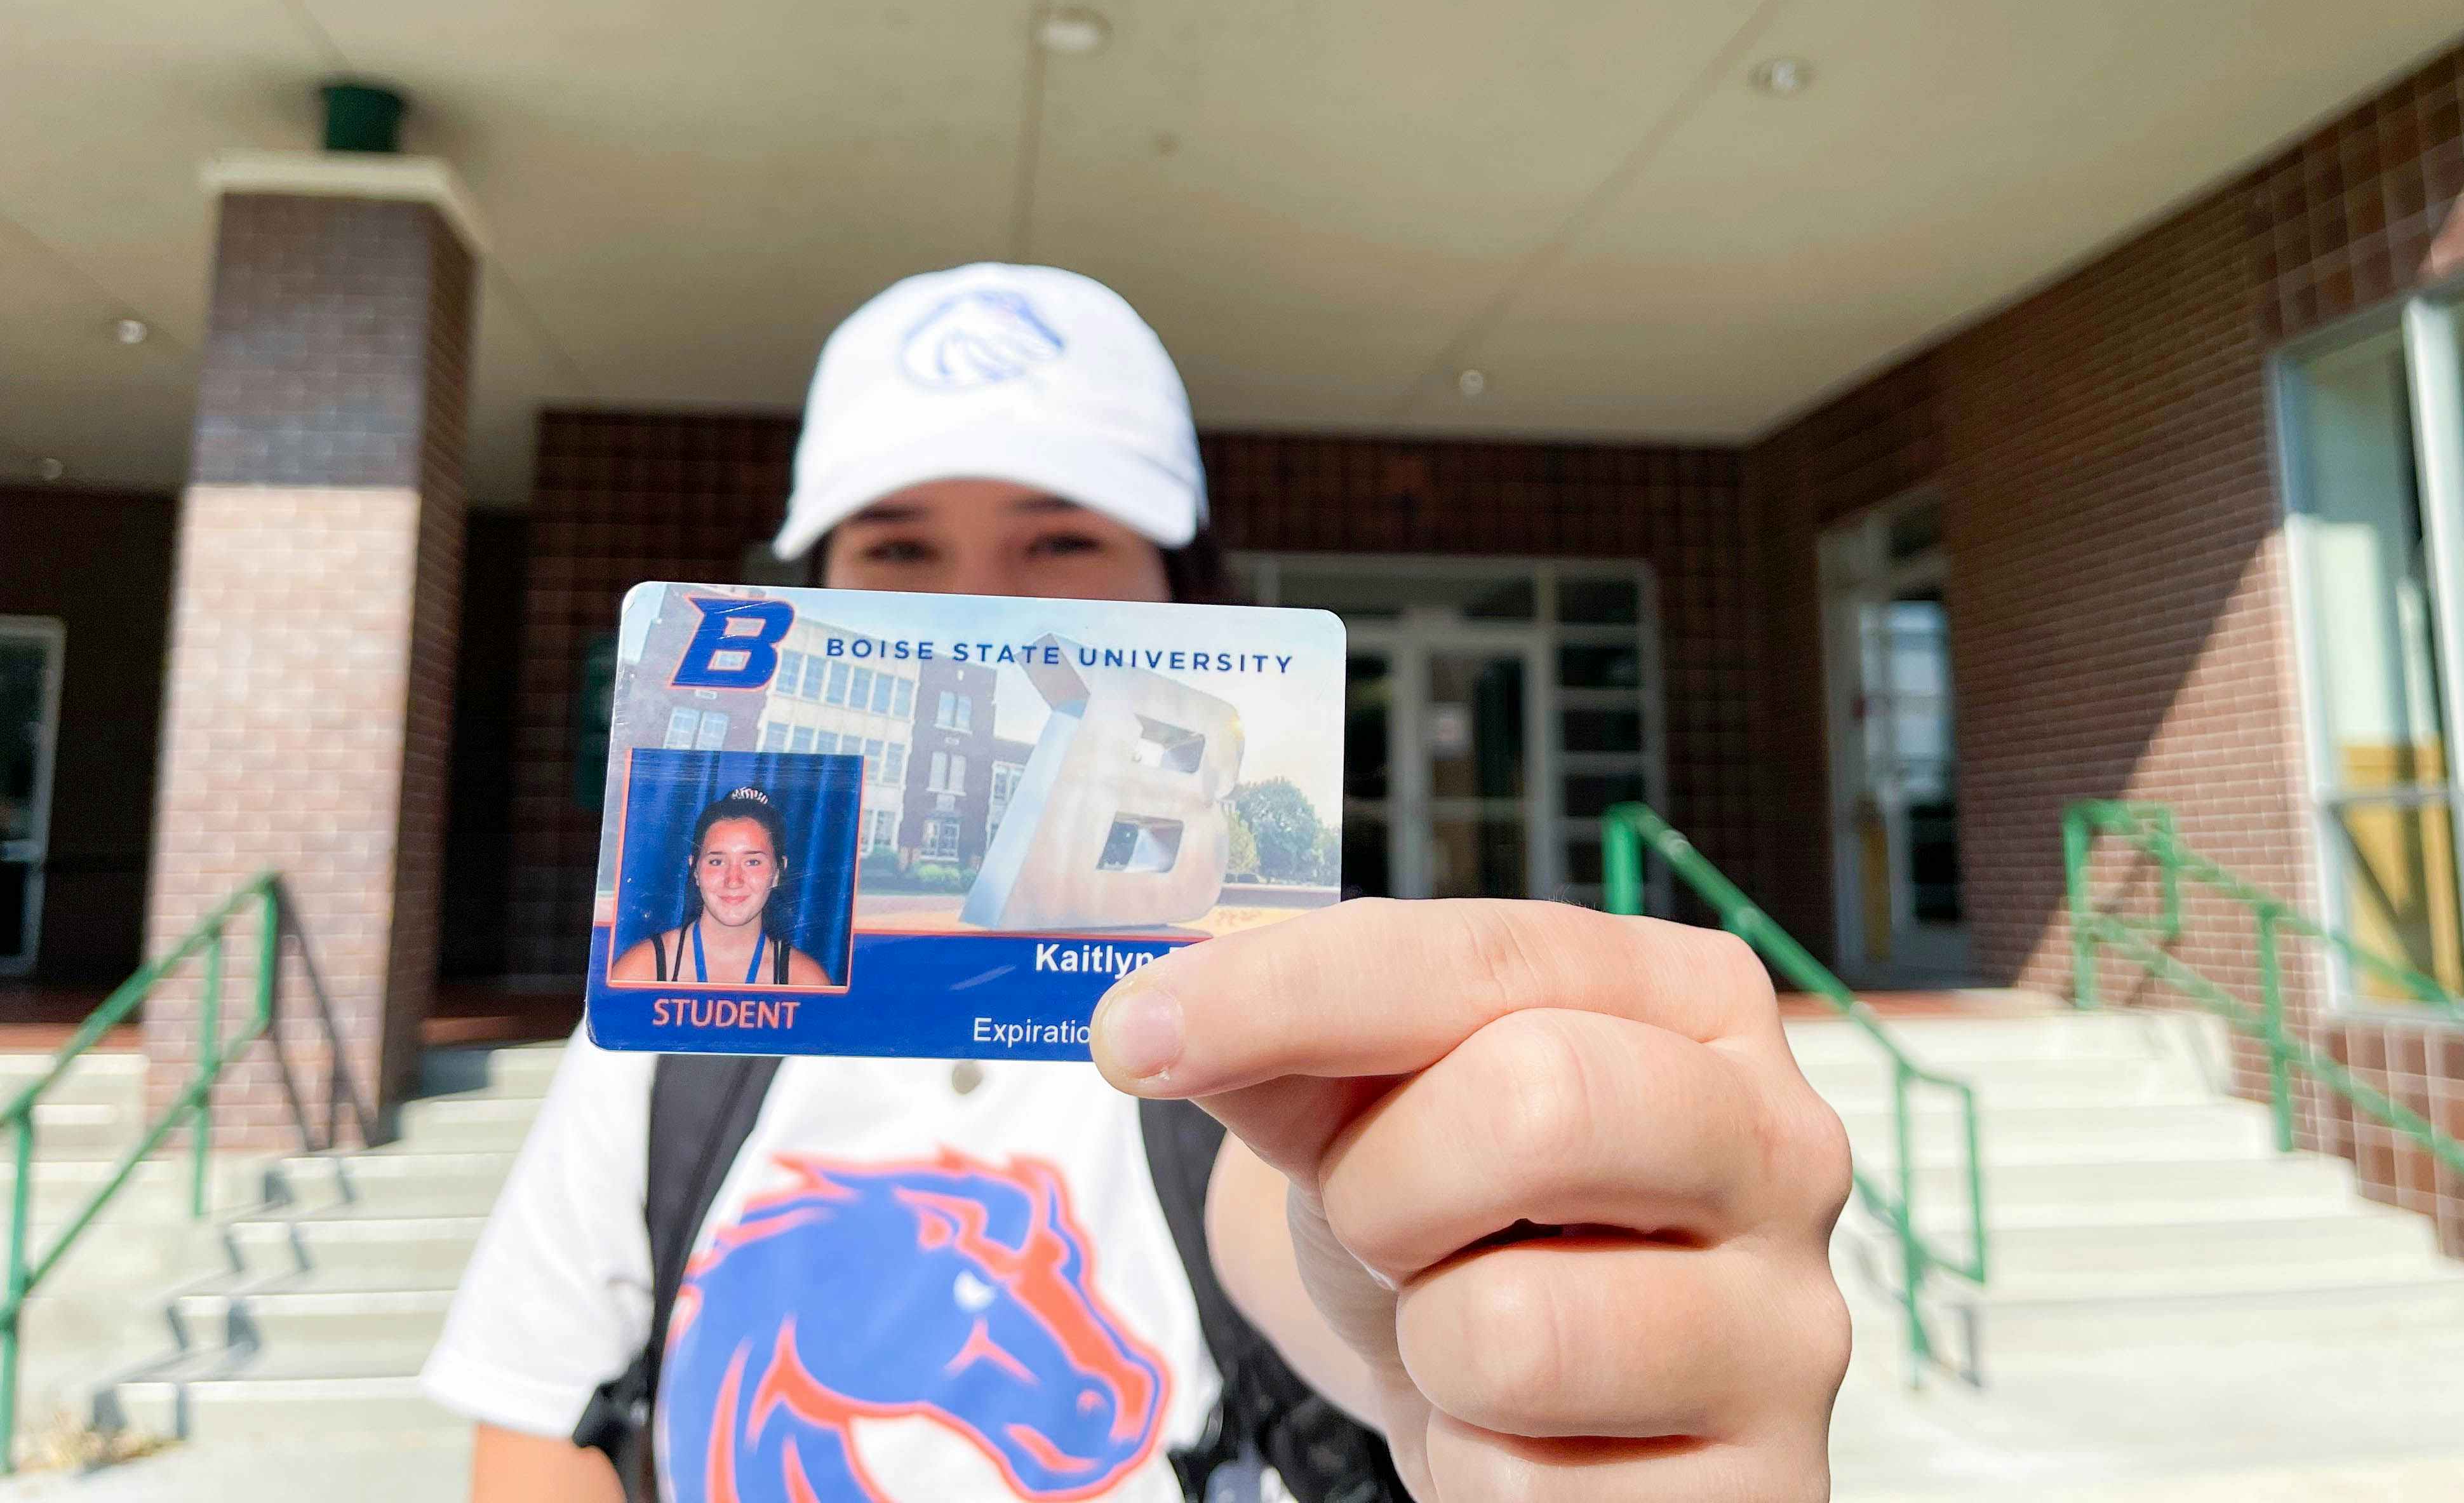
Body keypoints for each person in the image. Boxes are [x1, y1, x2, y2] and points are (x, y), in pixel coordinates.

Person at [422, 264, 1854, 1503]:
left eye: (1062, 542)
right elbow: (543, 1421)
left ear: (1189, 597)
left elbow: (1310, 1238)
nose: (976, 605)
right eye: (897, 549)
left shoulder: (1264, 1043)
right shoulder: (681, 1030)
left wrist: (1477, 1317)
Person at [606, 787, 807, 988]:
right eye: (717, 862)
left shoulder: (806, 981)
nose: (733, 880)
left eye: (752, 862)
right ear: (695, 870)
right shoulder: (639, 973)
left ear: (778, 873)